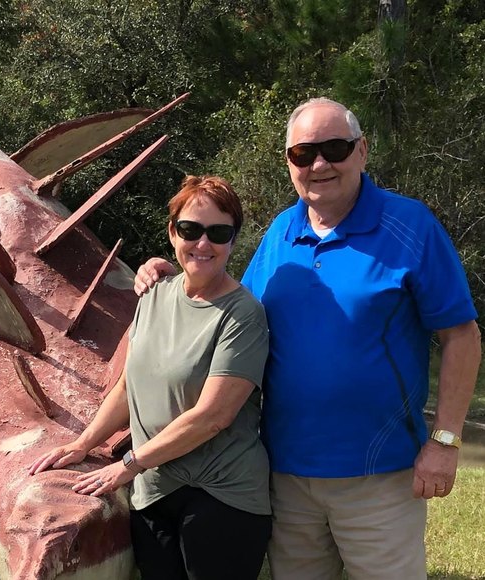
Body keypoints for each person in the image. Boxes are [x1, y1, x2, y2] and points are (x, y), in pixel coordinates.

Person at [133, 98, 482, 580]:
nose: (319, 164)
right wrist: (177, 274)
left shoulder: (411, 226)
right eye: (303, 153)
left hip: (379, 475)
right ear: (289, 162)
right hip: (286, 474)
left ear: (362, 151)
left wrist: (445, 441)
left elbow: (462, 335)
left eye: (335, 148)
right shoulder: (282, 230)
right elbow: (231, 309)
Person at [30, 175, 272, 580]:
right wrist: (83, 443)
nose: (203, 243)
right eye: (191, 229)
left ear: (233, 240)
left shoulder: (243, 315)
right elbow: (129, 387)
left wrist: (128, 465)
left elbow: (214, 416)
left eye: (218, 233)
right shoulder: (153, 294)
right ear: (172, 232)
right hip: (153, 489)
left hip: (220, 494)